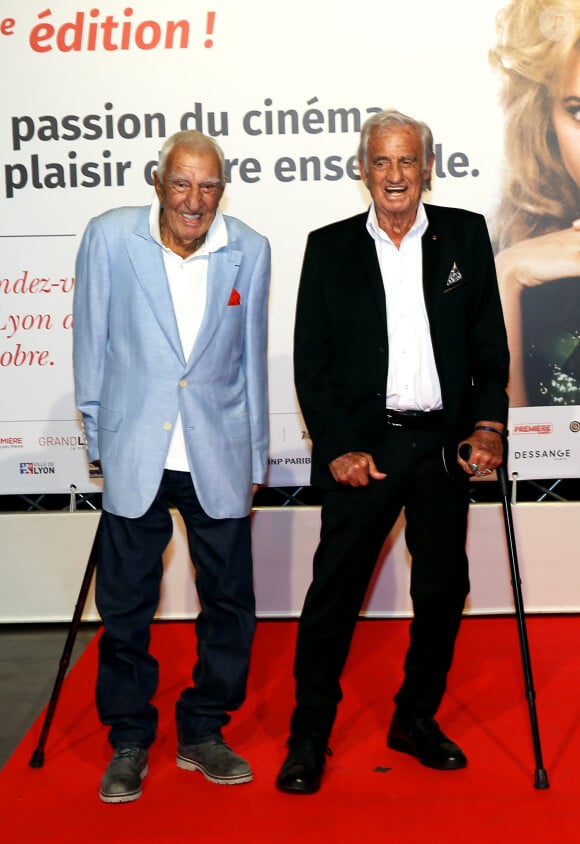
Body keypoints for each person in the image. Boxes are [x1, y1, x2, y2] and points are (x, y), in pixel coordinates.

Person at [276, 109, 510, 795]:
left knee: (444, 591)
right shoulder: (329, 247)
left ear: (428, 166)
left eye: (408, 160)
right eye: (382, 161)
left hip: (442, 449)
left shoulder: (464, 235)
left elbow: (491, 350)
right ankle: (309, 736)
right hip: (365, 453)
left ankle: (414, 718)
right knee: (332, 598)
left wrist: (489, 427)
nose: (396, 175)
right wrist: (338, 448)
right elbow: (310, 364)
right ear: (363, 170)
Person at [73, 130, 270, 803]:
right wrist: (102, 442)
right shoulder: (109, 237)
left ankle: (203, 731)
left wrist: (256, 457)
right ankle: (129, 738)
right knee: (125, 608)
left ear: (222, 189)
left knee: (231, 606)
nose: (194, 199)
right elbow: (91, 344)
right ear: (158, 181)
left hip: (216, 455)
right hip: (137, 453)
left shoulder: (250, 249)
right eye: (181, 182)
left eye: (208, 185)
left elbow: (250, 364)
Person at [490, 0, 580, 406]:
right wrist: (507, 275)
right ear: (545, 116)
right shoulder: (512, 244)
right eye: (578, 112)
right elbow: (511, 457)